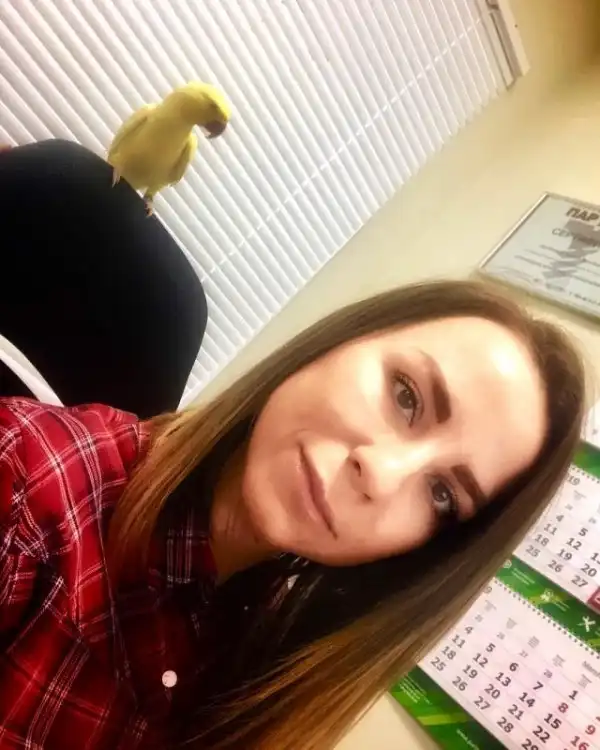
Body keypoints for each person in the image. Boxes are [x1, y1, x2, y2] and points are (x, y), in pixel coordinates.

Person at [0, 279, 585, 750]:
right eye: (406, 396)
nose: (382, 475)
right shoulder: (24, 481)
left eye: (441, 495)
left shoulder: (261, 656)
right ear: (339, 341)